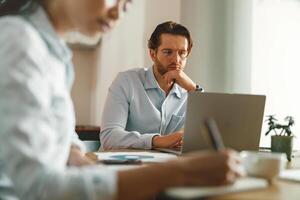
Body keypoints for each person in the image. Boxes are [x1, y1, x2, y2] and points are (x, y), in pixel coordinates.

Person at [0, 0, 244, 200]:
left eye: (127, 4)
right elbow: (38, 187)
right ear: (153, 53)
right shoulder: (20, 42)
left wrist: (83, 165)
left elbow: (61, 138)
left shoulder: (55, 54)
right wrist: (179, 172)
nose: (118, 12)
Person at [101, 21, 203, 150]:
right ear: (153, 54)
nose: (176, 60)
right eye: (168, 52)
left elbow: (213, 132)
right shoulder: (126, 81)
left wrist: (193, 89)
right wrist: (157, 141)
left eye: (182, 53)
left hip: (166, 166)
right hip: (124, 164)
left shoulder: (190, 93)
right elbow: (109, 137)